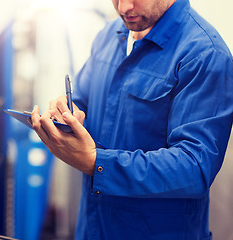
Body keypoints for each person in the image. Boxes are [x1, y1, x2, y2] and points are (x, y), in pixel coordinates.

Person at [31, 0, 233, 239]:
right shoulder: (110, 34)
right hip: (93, 227)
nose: (124, 7)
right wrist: (67, 112)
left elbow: (194, 168)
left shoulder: (204, 54)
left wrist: (97, 162)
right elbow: (82, 99)